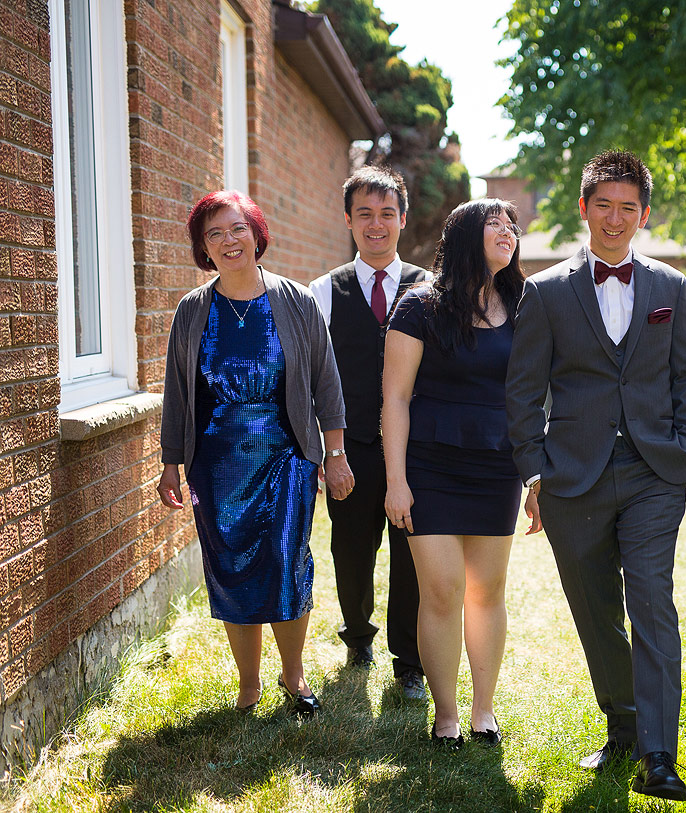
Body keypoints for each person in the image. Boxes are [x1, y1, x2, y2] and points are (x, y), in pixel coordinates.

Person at [506, 150, 686, 801]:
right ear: (584, 207)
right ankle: (621, 725)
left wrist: (681, 448)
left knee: (651, 603)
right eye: (604, 205)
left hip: (653, 472)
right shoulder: (546, 290)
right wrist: (535, 474)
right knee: (596, 613)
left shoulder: (670, 287)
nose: (615, 218)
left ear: (642, 214)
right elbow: (524, 389)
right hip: (573, 479)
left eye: (628, 207)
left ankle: (658, 754)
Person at [158, 190, 354, 717]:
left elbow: (326, 384)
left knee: (288, 561)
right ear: (204, 248)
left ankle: (294, 677)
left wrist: (334, 453)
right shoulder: (193, 310)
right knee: (231, 567)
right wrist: (170, 463)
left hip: (287, 454)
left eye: (236, 228)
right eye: (214, 234)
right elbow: (177, 391)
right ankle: (249, 685)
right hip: (216, 463)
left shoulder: (296, 301)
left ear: (256, 233)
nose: (228, 241)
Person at [383, 198, 537, 750]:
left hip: (497, 466)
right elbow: (395, 398)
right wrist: (396, 480)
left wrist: (535, 477)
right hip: (431, 465)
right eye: (494, 222)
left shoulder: (524, 303)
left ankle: (483, 710)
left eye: (511, 225)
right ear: (466, 234)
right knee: (443, 591)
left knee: (486, 590)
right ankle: (445, 715)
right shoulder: (419, 307)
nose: (507, 231)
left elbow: (534, 395)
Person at [308, 167, 430, 699]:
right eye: (364, 214)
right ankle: (358, 636)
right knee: (351, 551)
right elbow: (314, 376)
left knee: (413, 556)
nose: (376, 225)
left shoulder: (430, 287)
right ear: (348, 220)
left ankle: (410, 664)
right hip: (351, 448)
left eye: (386, 214)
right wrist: (328, 451)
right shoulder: (322, 291)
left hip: (418, 451)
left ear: (402, 219)